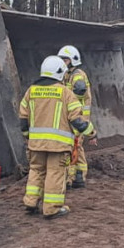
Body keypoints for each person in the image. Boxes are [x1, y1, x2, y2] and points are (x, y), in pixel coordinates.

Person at [19, 56, 95, 218]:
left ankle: (31, 202)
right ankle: (51, 209)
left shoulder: (30, 91)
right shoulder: (65, 93)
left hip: (36, 144)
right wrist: (92, 132)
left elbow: (23, 119)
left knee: (36, 170)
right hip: (58, 146)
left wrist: (27, 137)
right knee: (55, 173)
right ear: (60, 72)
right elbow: (77, 120)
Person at [58, 45, 96, 188]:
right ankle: (77, 177)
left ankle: (73, 177)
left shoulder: (77, 75)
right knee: (76, 146)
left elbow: (79, 91)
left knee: (75, 145)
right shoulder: (67, 75)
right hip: (74, 116)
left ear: (73, 60)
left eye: (65, 59)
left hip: (78, 117)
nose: (63, 62)